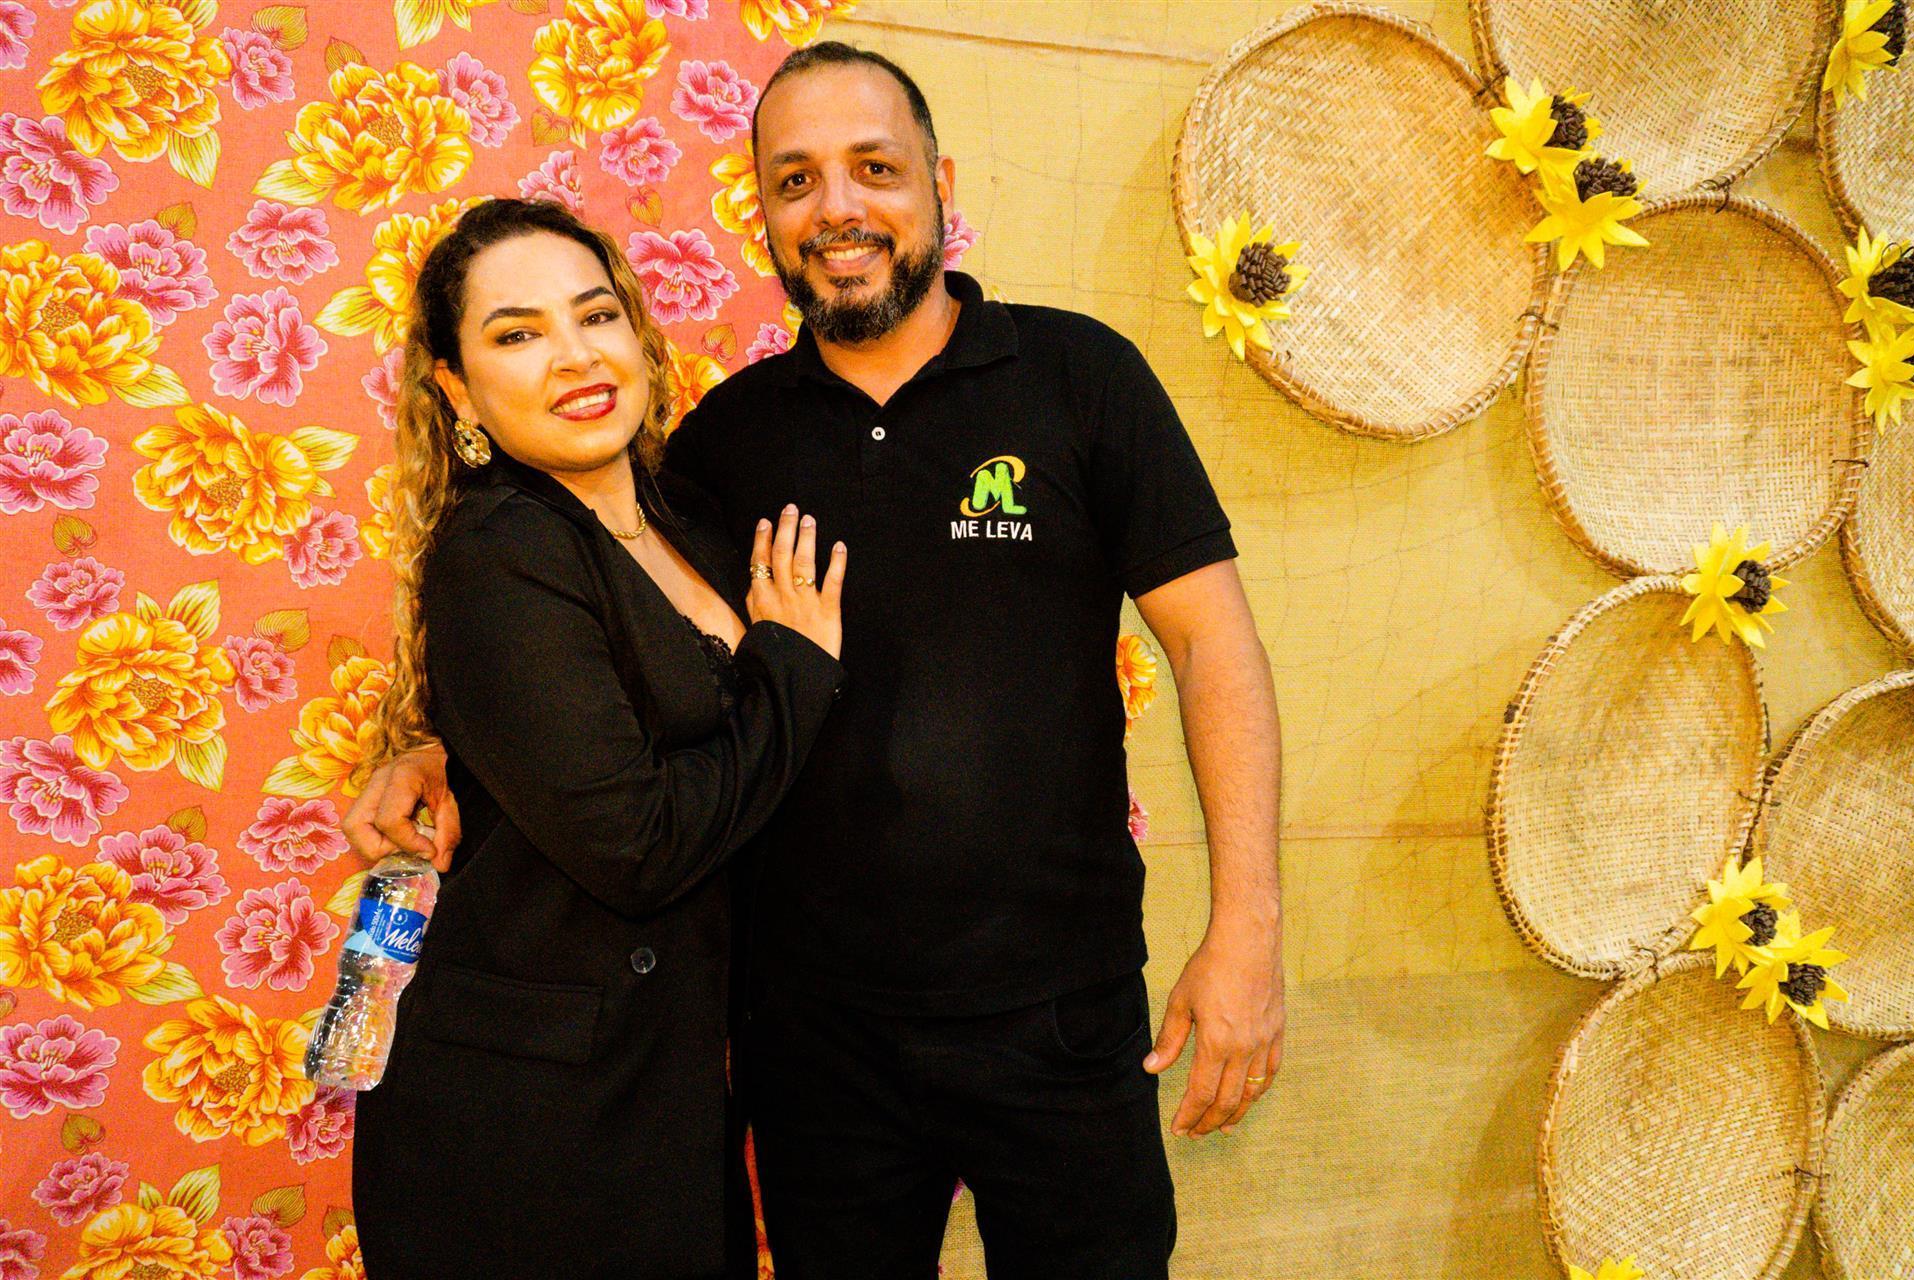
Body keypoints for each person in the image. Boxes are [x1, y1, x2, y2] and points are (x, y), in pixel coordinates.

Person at [349, 45, 1285, 1279]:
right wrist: (447, 742)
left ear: (940, 184)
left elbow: (1213, 641)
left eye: (874, 168)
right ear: (767, 219)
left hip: (1057, 1013)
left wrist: (1248, 927)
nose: (837, 207)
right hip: (810, 1043)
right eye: (796, 180)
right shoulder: (721, 443)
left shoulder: (1080, 378)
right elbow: (609, 640)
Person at [345, 197, 847, 1280]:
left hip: (666, 1086)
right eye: (517, 334)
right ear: (456, 387)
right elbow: (639, 844)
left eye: (596, 315)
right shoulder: (500, 551)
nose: (574, 356)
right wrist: (794, 669)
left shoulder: (691, 519)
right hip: (530, 1125)